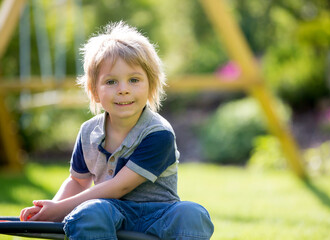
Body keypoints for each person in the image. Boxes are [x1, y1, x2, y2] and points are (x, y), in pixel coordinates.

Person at [20, 21, 214, 240]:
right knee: (90, 212)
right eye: (111, 82)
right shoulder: (88, 132)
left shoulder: (158, 134)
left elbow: (119, 187)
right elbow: (77, 181)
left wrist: (60, 209)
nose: (123, 90)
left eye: (134, 80)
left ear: (151, 85)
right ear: (94, 91)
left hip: (159, 214)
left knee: (191, 214)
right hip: (111, 212)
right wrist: (51, 210)